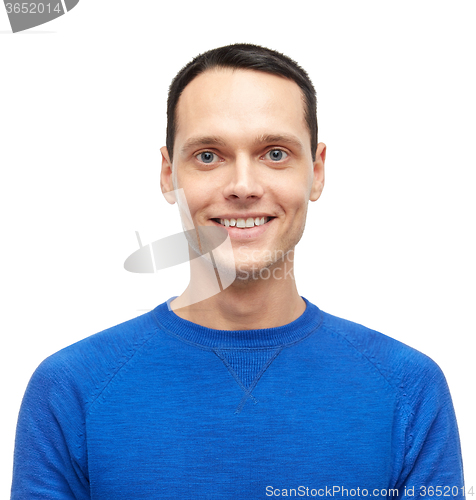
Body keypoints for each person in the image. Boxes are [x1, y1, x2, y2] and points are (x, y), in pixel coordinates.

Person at [11, 43, 465, 499]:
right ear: (169, 174)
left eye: (275, 153)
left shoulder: (409, 390)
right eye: (209, 155)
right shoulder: (70, 390)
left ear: (318, 170)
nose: (243, 187)